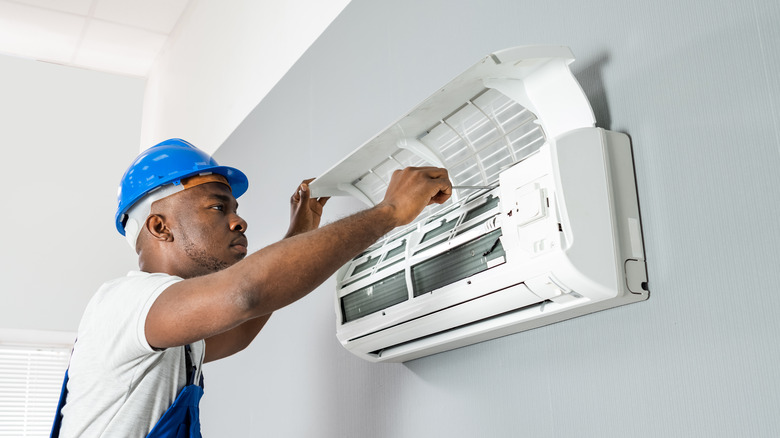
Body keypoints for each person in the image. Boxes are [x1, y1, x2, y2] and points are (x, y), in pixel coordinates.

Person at [50, 138, 452, 437]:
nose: (239, 221)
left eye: (236, 210)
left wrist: (299, 233)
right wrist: (389, 212)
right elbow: (246, 294)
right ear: (160, 226)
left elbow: (239, 328)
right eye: (217, 207)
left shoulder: (175, 332)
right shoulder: (124, 303)